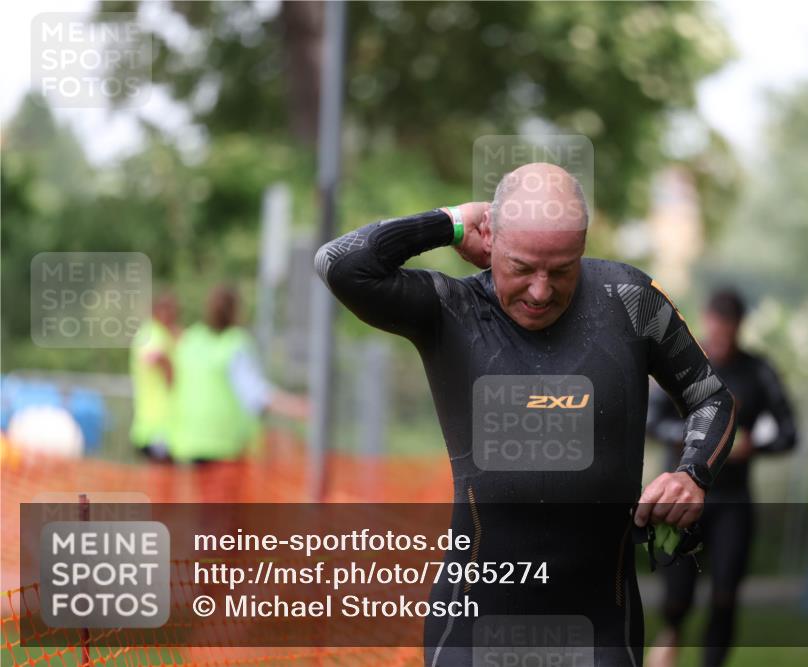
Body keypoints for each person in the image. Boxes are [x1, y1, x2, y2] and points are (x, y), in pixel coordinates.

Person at [315, 162, 737, 666]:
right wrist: (450, 222)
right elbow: (340, 263)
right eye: (522, 267)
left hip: (600, 627)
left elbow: (712, 398)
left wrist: (693, 473)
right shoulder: (452, 310)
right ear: (489, 239)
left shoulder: (630, 301)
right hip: (473, 627)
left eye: (562, 270)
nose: (540, 291)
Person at [645, 288, 797, 667]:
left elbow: (788, 431)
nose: (721, 337)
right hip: (681, 496)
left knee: (726, 593)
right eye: (715, 327)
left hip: (732, 500)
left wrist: (754, 446)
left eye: (729, 330)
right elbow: (651, 420)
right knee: (678, 592)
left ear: (740, 327)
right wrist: (696, 441)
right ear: (707, 321)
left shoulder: (757, 371)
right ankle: (671, 633)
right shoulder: (682, 362)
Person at [169, 285, 309, 464]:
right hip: (225, 445)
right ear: (235, 311)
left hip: (187, 443)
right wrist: (300, 407)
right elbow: (257, 395)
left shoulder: (190, 339)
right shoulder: (235, 343)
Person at [129, 292, 180, 462]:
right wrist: (169, 369)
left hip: (165, 425)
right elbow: (152, 356)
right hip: (154, 426)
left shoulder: (164, 334)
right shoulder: (151, 332)